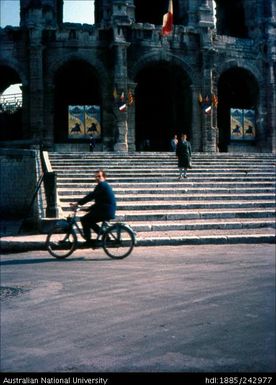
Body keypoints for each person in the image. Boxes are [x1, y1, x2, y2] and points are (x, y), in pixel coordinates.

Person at [71, 169, 116, 245]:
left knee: (85, 220)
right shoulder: (103, 186)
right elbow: (98, 202)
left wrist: (78, 203)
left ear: (104, 177)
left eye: (99, 176)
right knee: (88, 220)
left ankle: (88, 241)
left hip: (105, 211)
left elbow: (91, 196)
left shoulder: (102, 185)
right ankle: (104, 235)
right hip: (105, 210)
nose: (97, 178)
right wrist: (87, 209)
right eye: (96, 177)